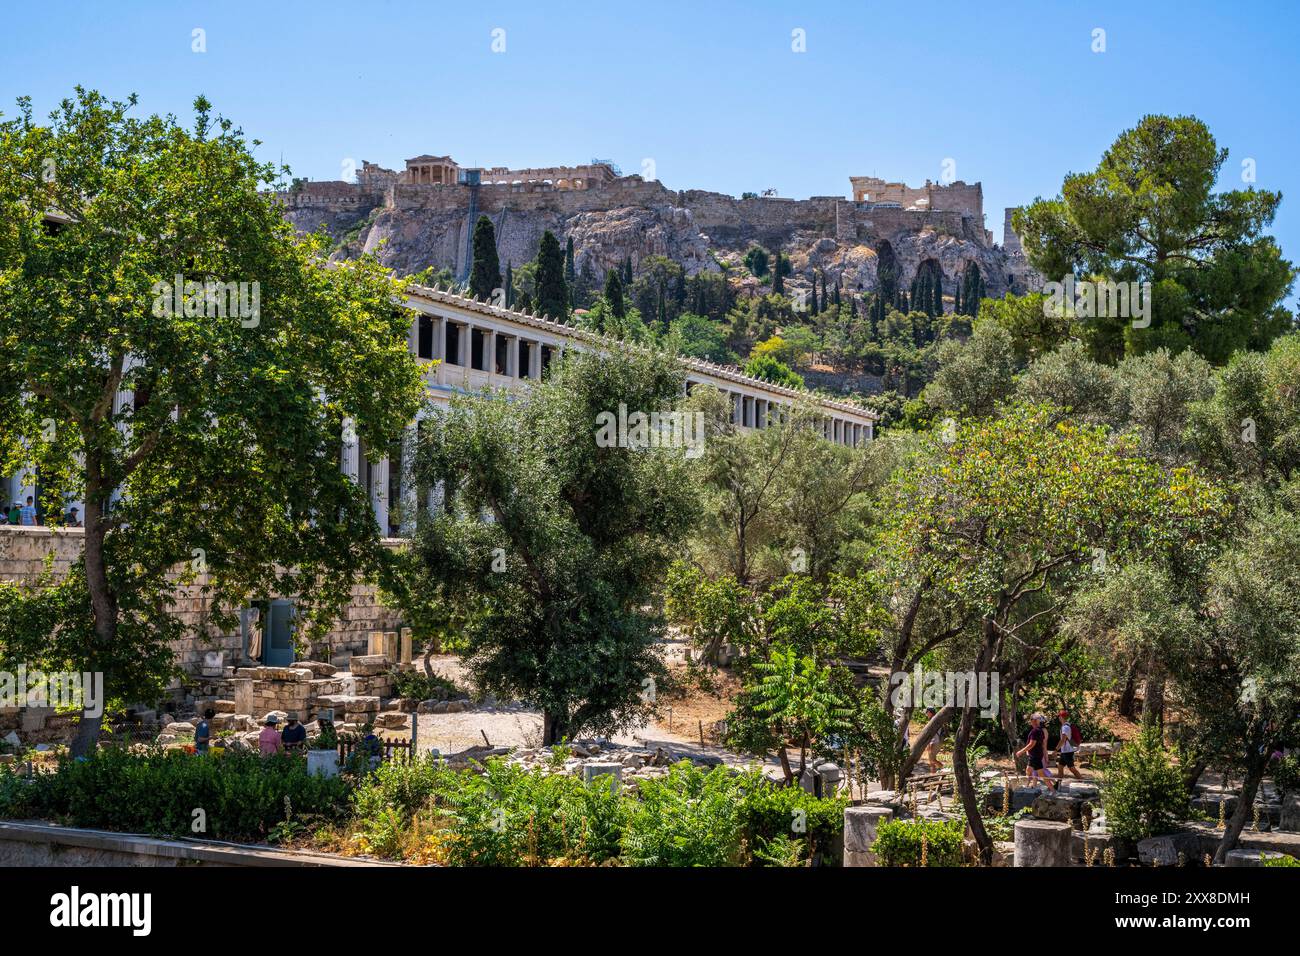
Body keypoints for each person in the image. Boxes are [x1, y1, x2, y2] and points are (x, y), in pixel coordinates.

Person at [1016, 713, 1056, 789]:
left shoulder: (1035, 731)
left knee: (1041, 774)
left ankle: (1053, 790)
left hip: (1035, 756)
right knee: (1029, 770)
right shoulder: (1040, 730)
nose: (1030, 722)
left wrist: (1021, 751)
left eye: (1031, 720)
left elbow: (1032, 744)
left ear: (1034, 721)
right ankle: (1029, 786)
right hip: (1035, 755)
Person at [1054, 708, 1083, 780]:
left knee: (1072, 769)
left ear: (1061, 717)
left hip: (1068, 752)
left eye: (1059, 717)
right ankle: (1058, 785)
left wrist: (1056, 750)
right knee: (1060, 767)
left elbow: (1062, 740)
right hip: (1065, 752)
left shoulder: (1065, 727)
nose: (1058, 718)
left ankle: (1082, 782)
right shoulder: (1067, 726)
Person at [924, 707, 945, 772]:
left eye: (927, 712)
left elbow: (933, 734)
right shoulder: (936, 719)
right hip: (937, 742)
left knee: (932, 760)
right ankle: (932, 774)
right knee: (931, 761)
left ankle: (945, 769)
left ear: (930, 712)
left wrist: (930, 744)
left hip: (934, 742)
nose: (926, 714)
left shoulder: (933, 721)